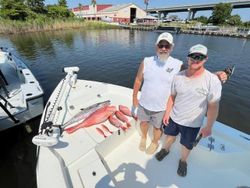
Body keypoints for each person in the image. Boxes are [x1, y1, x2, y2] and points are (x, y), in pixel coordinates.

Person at [132, 33, 227, 155]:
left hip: (162, 107)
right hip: (144, 103)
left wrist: (216, 75)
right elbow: (138, 80)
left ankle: (155, 142)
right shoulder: (146, 61)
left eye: (167, 46)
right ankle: (144, 137)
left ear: (172, 47)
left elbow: (194, 72)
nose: (164, 48)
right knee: (143, 123)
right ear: (156, 46)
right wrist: (134, 98)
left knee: (157, 127)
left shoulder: (177, 64)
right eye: (161, 45)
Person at [155, 44, 222, 177]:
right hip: (175, 118)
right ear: (188, 58)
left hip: (193, 123)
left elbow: (213, 106)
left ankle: (183, 161)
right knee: (169, 137)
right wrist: (167, 113)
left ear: (206, 59)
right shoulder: (178, 76)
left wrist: (208, 126)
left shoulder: (212, 80)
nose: (196, 59)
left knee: (187, 145)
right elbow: (172, 96)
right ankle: (165, 150)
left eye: (200, 57)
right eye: (193, 56)